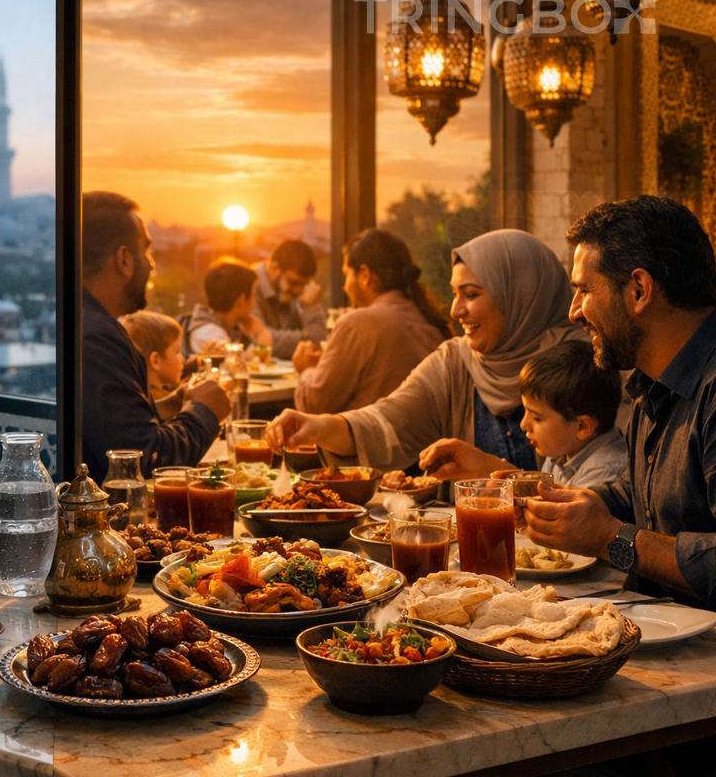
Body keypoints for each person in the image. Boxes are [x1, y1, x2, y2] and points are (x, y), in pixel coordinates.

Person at [521, 196, 716, 607]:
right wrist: (588, 503)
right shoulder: (651, 381)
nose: (574, 313)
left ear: (640, 289)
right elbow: (653, 496)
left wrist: (612, 538)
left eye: (583, 290)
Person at [266, 229, 586, 476]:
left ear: (522, 296)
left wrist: (498, 476)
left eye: (471, 294)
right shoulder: (454, 362)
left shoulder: (582, 366)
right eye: (454, 294)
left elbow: (604, 497)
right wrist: (318, 426)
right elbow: (384, 422)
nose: (456, 309)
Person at [81, 192, 229, 482]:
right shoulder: (97, 339)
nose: (151, 265)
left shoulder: (84, 323)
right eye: (146, 252)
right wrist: (204, 412)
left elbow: (111, 430)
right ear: (124, 259)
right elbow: (144, 460)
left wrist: (170, 406)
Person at [415, 341, 628, 488]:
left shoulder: (605, 473)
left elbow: (561, 526)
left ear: (582, 426)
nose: (524, 424)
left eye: (537, 418)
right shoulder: (562, 452)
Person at [292, 229, 453, 413]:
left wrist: (307, 370)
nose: (345, 287)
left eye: (346, 275)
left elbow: (315, 404)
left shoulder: (358, 323)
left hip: (374, 441)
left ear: (364, 274)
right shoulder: (429, 321)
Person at [252, 238, 327, 359]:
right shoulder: (249, 286)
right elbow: (261, 342)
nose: (298, 290)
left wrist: (310, 306)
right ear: (274, 268)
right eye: (293, 283)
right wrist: (306, 337)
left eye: (304, 285)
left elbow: (319, 340)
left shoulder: (299, 292)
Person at [182, 258, 273, 356]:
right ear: (241, 301)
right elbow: (236, 365)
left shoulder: (231, 326)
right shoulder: (210, 333)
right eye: (252, 295)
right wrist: (262, 335)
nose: (254, 303)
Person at [120, 310, 185, 407]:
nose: (183, 359)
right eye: (177, 352)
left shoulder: (129, 397)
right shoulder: (168, 409)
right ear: (155, 360)